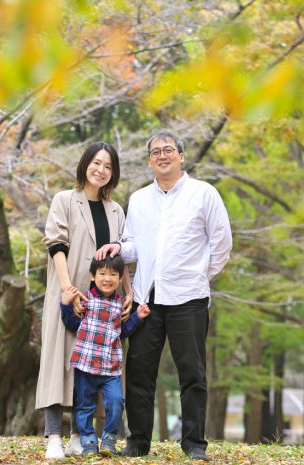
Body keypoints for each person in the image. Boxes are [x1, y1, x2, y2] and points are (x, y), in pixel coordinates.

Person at [96, 131, 232, 461]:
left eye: (168, 150)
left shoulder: (204, 194)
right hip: (146, 300)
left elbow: (222, 245)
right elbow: (132, 246)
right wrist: (119, 248)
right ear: (149, 161)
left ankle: (194, 444)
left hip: (189, 298)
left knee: (193, 373)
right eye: (155, 152)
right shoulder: (140, 199)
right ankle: (138, 441)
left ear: (181, 156)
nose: (162, 155)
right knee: (140, 372)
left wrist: (199, 276)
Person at [36, 141, 133, 460]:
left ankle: (79, 435)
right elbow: (56, 244)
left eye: (108, 166)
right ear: (85, 164)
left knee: (91, 368)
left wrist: (128, 291)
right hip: (69, 294)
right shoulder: (65, 199)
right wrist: (67, 288)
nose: (101, 170)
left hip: (103, 304)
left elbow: (119, 258)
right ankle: (53, 437)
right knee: (57, 363)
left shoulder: (116, 210)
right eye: (96, 163)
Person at [60, 255, 150, 457]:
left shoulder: (120, 305)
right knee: (84, 406)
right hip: (85, 366)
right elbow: (72, 324)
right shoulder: (85, 300)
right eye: (102, 273)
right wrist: (66, 304)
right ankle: (89, 441)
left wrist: (138, 317)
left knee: (117, 401)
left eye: (113, 274)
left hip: (111, 368)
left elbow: (124, 331)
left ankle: (109, 438)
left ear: (119, 279)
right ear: (93, 276)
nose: (107, 278)